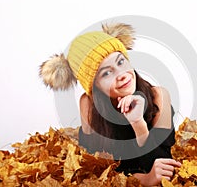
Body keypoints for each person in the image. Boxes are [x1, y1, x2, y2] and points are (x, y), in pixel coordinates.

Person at [39, 23, 181, 186]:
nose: (121, 74)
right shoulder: (88, 105)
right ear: (94, 86)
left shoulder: (158, 96)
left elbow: (163, 165)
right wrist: (144, 179)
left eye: (121, 62)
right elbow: (98, 168)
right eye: (106, 72)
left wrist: (138, 123)